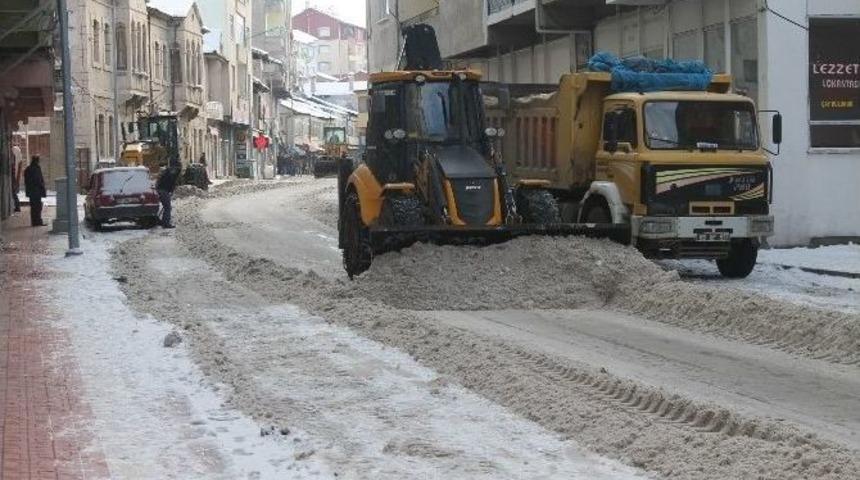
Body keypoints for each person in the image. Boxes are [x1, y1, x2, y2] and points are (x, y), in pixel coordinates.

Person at [24, 155, 47, 227]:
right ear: (37, 161)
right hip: (36, 191)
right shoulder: (36, 168)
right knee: (38, 207)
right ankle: (38, 221)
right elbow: (39, 180)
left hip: (31, 191)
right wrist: (43, 188)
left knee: (33, 207)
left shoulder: (28, 169)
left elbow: (26, 181)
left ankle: (34, 222)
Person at [155, 162, 180, 228]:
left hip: (160, 190)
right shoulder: (171, 174)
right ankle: (165, 223)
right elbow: (170, 183)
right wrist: (171, 189)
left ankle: (163, 221)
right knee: (167, 207)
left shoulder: (167, 172)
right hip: (163, 191)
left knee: (166, 206)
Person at [11, 143, 22, 212]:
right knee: (13, 192)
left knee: (13, 192)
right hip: (14, 175)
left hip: (13, 175)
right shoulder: (16, 150)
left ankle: (17, 206)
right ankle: (16, 206)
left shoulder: (14, 150)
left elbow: (17, 165)